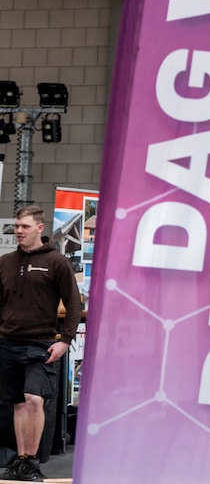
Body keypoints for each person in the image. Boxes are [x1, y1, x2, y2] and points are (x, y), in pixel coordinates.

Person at [0, 205, 82, 482]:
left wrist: (65, 340)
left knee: (34, 399)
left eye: (24, 226)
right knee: (17, 404)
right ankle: (20, 462)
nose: (18, 231)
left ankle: (32, 462)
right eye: (16, 226)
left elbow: (73, 303)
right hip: (7, 342)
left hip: (41, 344)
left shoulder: (57, 262)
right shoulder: (6, 262)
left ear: (39, 228)